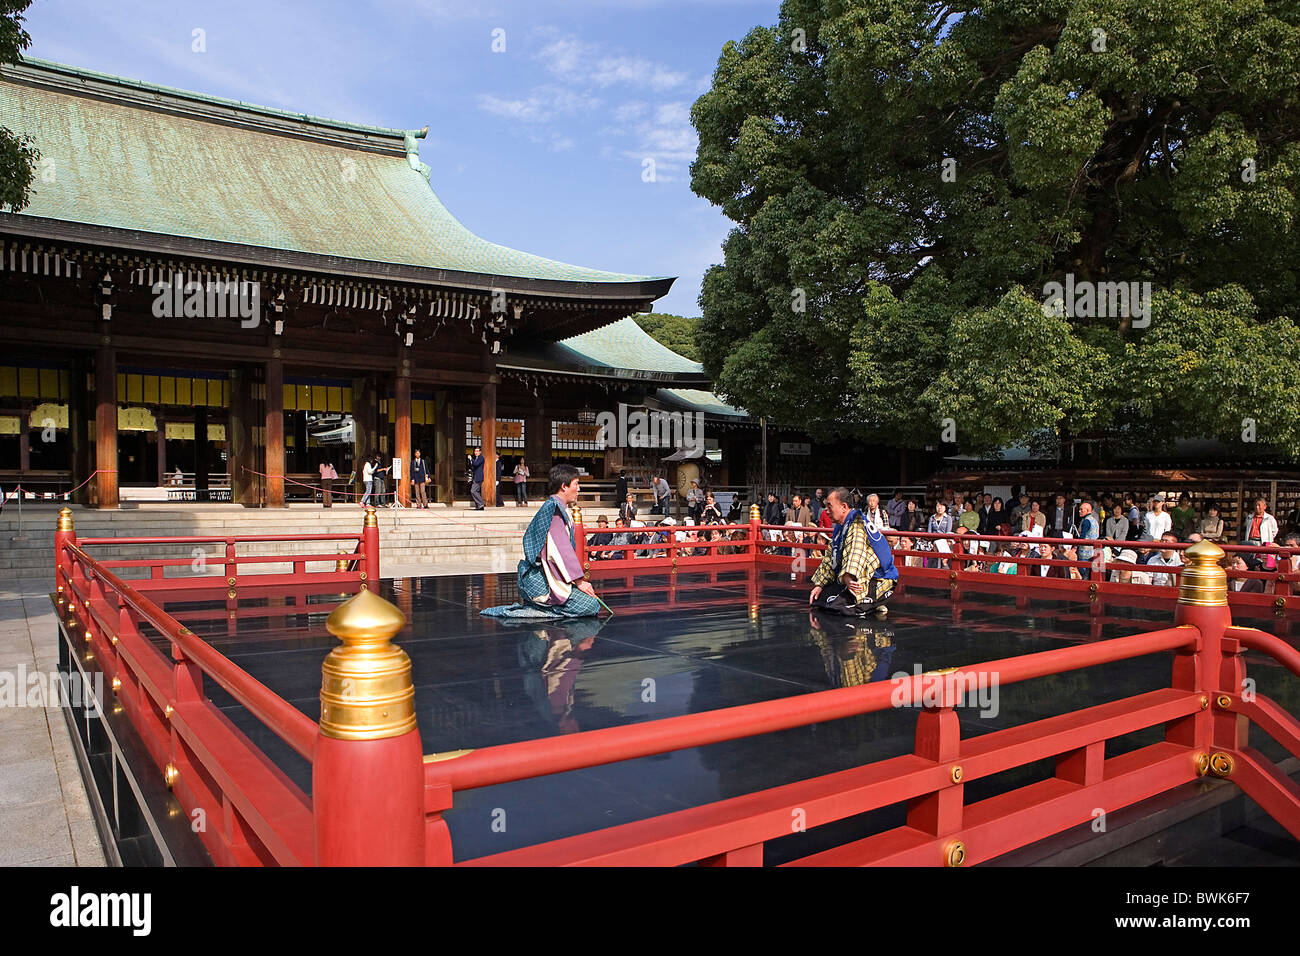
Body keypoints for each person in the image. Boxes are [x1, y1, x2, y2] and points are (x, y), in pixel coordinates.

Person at [481, 464, 602, 619]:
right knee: (590, 605)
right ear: (564, 486)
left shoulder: (555, 506)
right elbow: (560, 551)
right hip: (539, 582)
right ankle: (541, 609)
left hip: (541, 578)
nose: (578, 489)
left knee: (589, 601)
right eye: (576, 484)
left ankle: (540, 605)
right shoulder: (554, 510)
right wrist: (579, 581)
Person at [808, 487, 898, 617]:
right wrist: (820, 584)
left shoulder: (857, 524)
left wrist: (849, 577)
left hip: (877, 577)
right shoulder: (841, 526)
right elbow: (830, 557)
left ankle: (876, 601)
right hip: (854, 576)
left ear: (844, 507)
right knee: (820, 600)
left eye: (830, 506)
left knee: (839, 606)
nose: (826, 511)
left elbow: (857, 553)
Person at [1076, 501, 1099, 578]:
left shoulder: (1086, 521)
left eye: (1082, 510)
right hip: (1094, 551)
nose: (1080, 511)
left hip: (1085, 552)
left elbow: (1082, 536)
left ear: (1088, 510)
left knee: (1083, 572)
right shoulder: (1094, 520)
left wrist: (1075, 546)